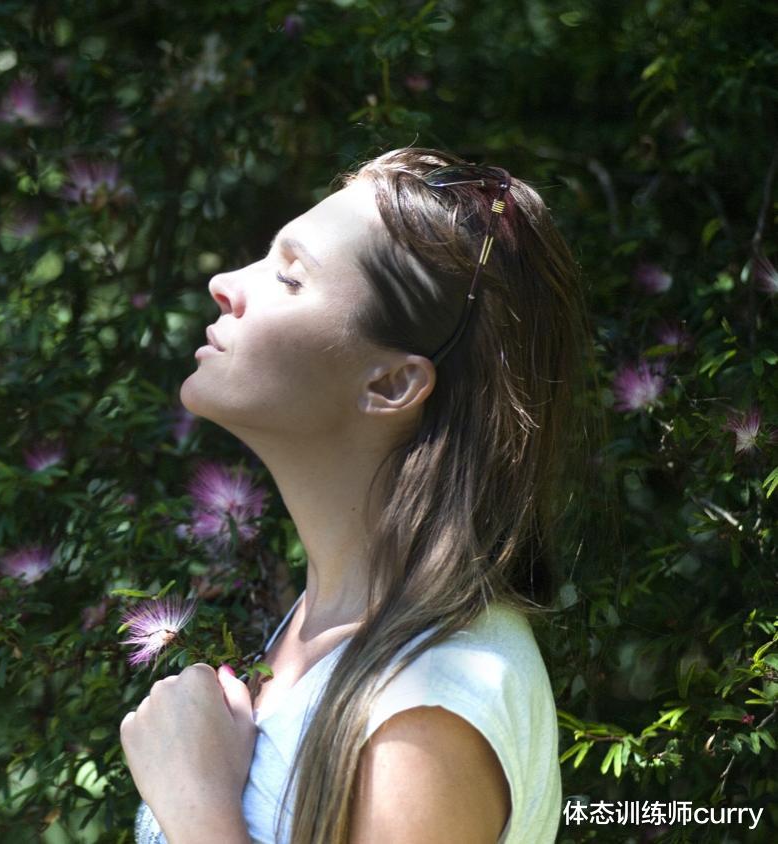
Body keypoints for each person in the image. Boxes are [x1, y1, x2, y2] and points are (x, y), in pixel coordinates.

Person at [121, 146, 595, 843]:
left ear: (391, 386)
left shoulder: (430, 706)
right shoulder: (331, 629)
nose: (225, 282)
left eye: (289, 276)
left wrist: (195, 805)